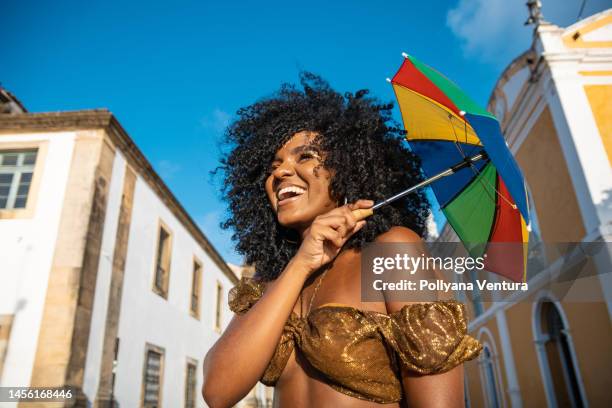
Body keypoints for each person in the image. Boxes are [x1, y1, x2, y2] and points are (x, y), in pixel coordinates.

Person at [202, 73, 482, 407]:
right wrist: (301, 263)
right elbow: (218, 392)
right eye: (273, 166)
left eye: (304, 157)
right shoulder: (269, 280)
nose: (280, 173)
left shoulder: (391, 252)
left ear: (347, 169)